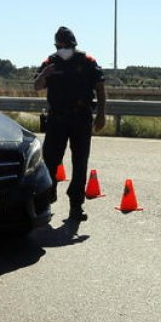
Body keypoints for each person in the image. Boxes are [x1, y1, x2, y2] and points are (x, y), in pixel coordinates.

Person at [34, 26, 106, 222]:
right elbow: (36, 86)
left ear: (74, 45)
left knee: (80, 163)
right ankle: (48, 196)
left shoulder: (87, 61)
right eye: (59, 45)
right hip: (57, 120)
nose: (62, 48)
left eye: (66, 45)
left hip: (81, 119)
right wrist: (45, 74)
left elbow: (100, 88)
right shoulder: (50, 62)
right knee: (49, 161)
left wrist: (101, 114)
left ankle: (76, 206)